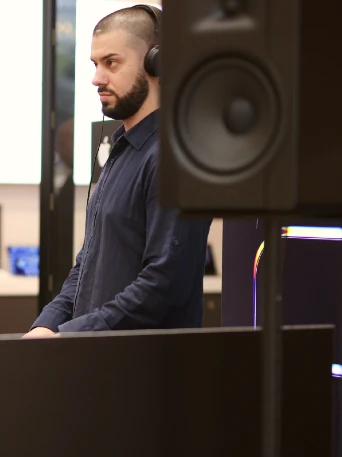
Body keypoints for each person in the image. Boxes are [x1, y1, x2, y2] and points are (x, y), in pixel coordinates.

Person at [27, 6, 211, 337]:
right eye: (95, 65)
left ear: (157, 63)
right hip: (100, 361)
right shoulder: (120, 152)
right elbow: (88, 263)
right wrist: (49, 322)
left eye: (111, 63)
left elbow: (163, 286)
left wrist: (69, 335)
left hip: (146, 375)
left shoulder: (173, 158)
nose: (97, 78)